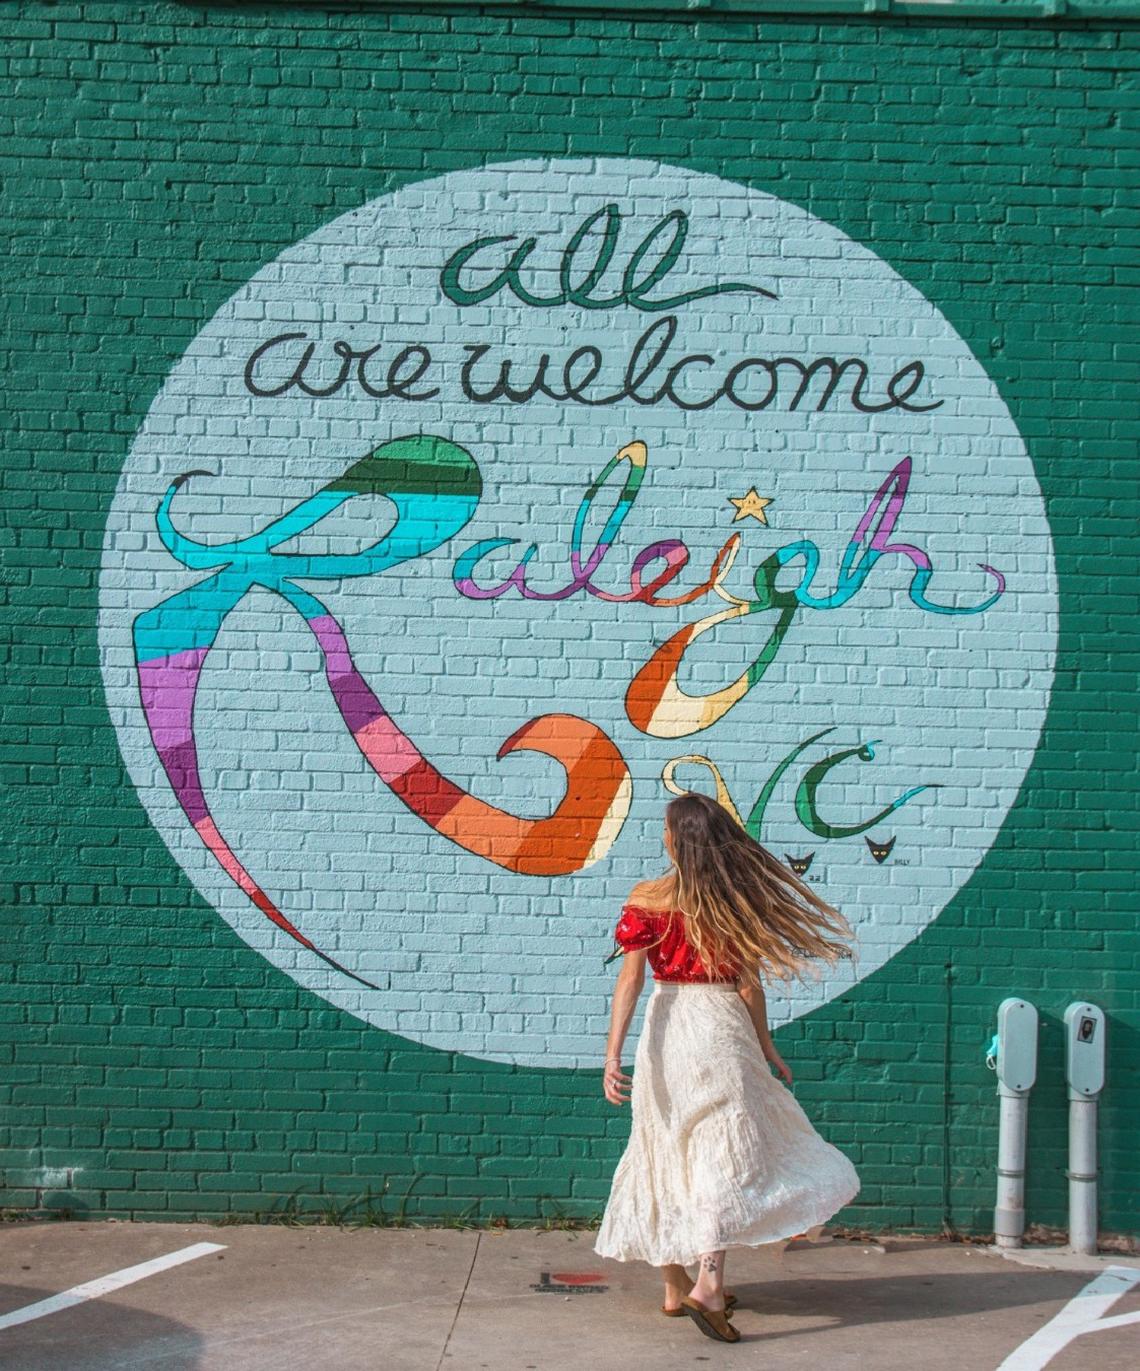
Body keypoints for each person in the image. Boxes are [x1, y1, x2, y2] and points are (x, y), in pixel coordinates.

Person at [593, 790, 862, 1344]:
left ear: (678, 839)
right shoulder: (733, 901)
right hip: (720, 1031)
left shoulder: (647, 897)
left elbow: (630, 982)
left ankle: (675, 1286)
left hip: (666, 1030)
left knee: (660, 1153)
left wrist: (612, 1052)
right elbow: (748, 986)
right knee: (722, 1156)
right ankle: (707, 1284)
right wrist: (766, 1045)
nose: (662, 836)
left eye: (666, 829)